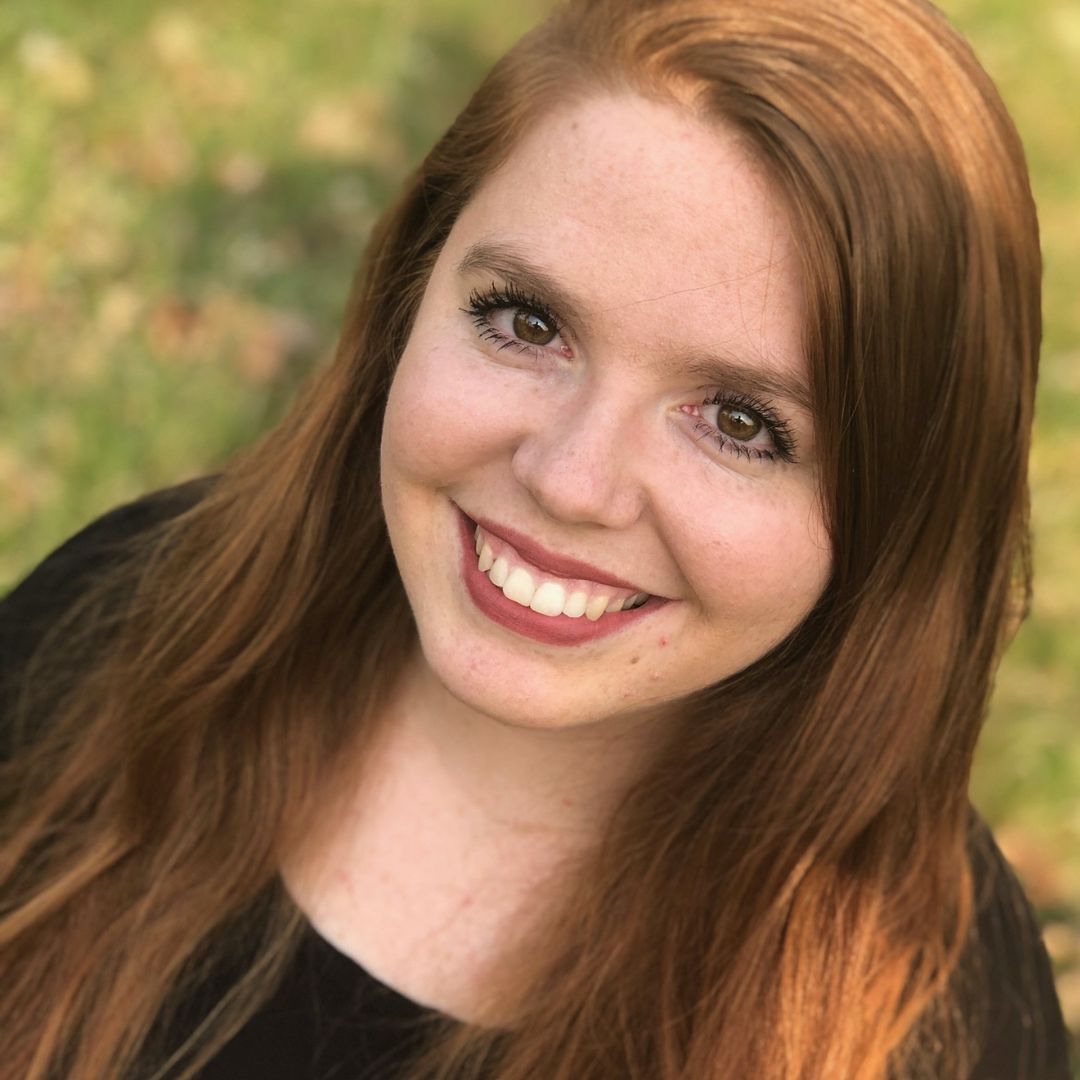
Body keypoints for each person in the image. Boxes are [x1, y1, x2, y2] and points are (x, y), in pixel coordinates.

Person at [0, 0, 1071, 1076]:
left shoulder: (935, 1027)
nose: (569, 481)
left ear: (906, 514)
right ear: (411, 288)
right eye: (526, 321)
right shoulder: (117, 624)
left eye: (743, 424)